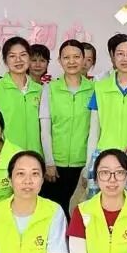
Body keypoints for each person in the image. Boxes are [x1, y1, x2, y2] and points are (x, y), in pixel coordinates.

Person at [40, 40, 95, 214]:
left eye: (76, 57)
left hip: (83, 165)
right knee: (55, 214)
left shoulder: (94, 89)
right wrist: (49, 162)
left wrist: (89, 165)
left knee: (80, 215)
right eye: (66, 57)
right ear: (59, 61)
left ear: (84, 59)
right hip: (55, 167)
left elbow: (95, 131)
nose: (71, 61)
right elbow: (45, 130)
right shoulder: (50, 89)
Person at [0, 36, 43, 153]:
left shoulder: (40, 90)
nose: (18, 60)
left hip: (35, 156)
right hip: (6, 156)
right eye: (12, 56)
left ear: (29, 57)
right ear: (5, 61)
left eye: (23, 55)